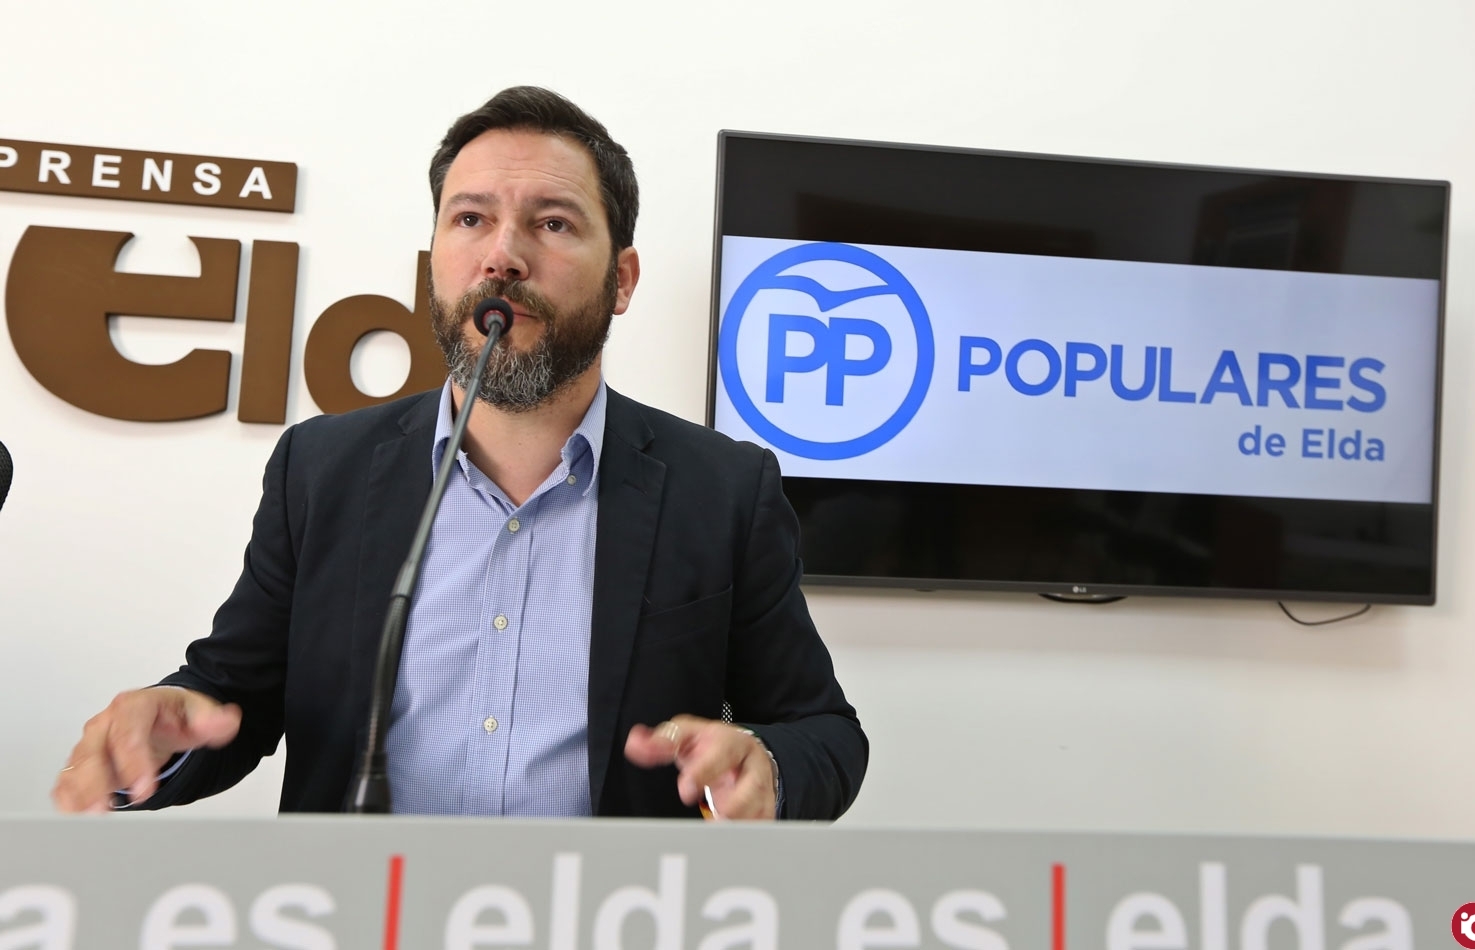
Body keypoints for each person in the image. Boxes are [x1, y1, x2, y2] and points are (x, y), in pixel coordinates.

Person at [51, 87, 867, 821]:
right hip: (363, 908)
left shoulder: (722, 489)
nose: (502, 255)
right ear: (436, 258)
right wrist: (163, 731)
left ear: (622, 280)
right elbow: (235, 696)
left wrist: (764, 768)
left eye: (552, 223)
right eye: (470, 219)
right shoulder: (321, 470)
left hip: (612, 911)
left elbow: (823, 732)